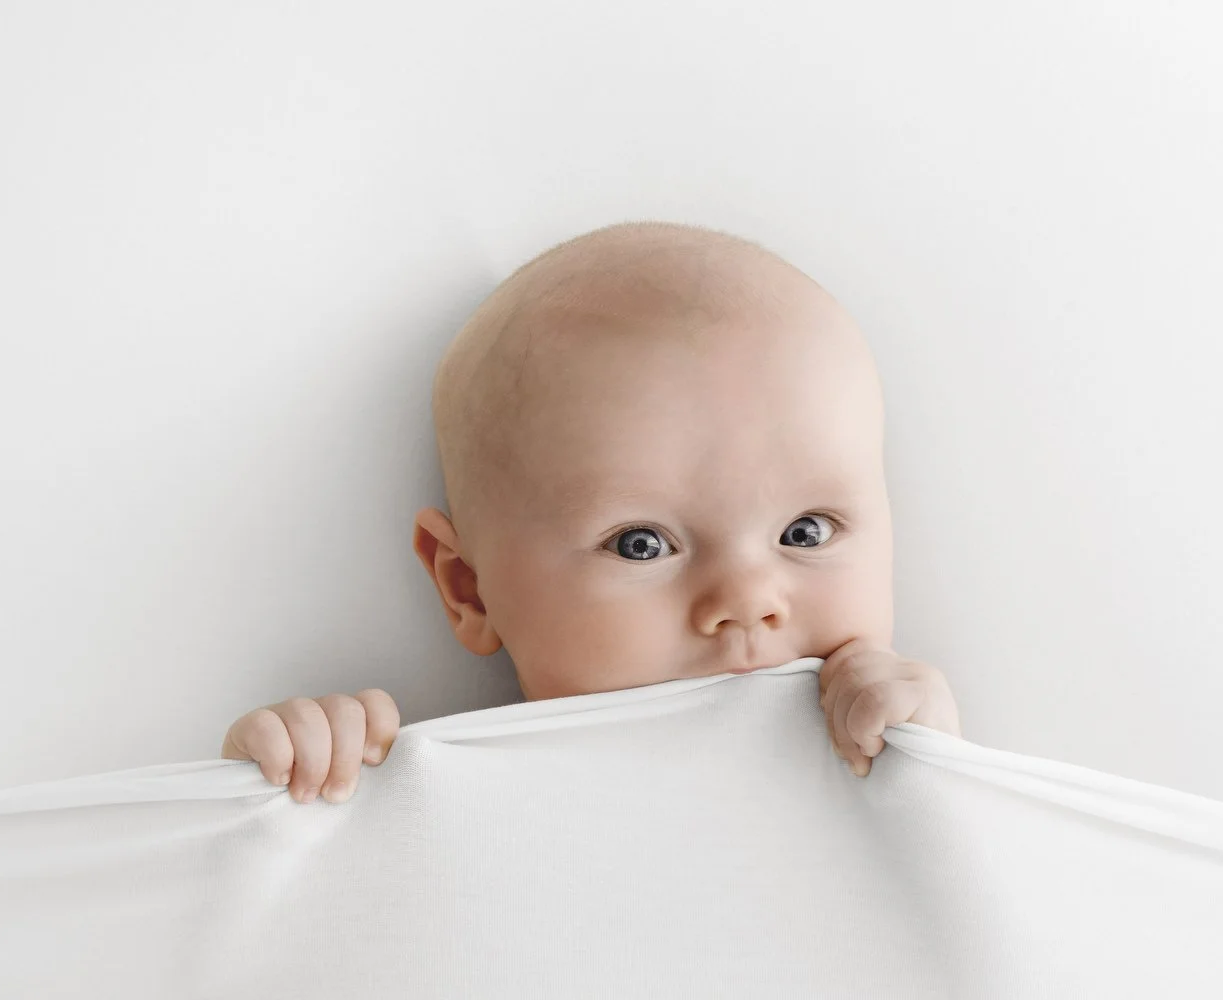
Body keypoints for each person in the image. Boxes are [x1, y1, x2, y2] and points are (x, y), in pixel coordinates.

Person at [221, 221, 961, 803]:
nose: (746, 603)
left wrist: (938, 773)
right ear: (468, 589)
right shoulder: (438, 802)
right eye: (641, 544)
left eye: (806, 533)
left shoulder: (891, 769)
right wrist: (295, 798)